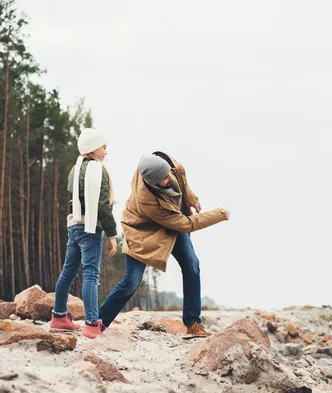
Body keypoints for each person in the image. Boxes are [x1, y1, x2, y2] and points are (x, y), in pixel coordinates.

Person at [98, 152, 229, 336]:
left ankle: (192, 323)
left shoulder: (164, 163)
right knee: (131, 282)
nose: (169, 178)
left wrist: (192, 198)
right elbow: (186, 224)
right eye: (165, 178)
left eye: (168, 173)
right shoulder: (148, 201)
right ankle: (98, 322)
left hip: (172, 220)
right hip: (142, 231)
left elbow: (181, 180)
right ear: (153, 183)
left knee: (192, 264)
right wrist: (220, 214)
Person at [50, 128, 118, 339]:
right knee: (90, 273)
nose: (106, 151)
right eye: (103, 147)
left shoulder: (75, 169)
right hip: (90, 228)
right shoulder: (98, 171)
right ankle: (91, 324)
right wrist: (112, 234)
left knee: (68, 272)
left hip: (74, 225)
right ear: (93, 148)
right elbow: (102, 206)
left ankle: (59, 316)